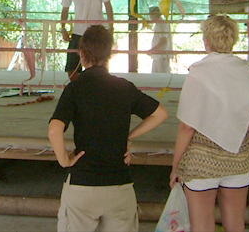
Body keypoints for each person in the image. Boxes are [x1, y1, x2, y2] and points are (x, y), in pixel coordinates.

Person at [49, 25, 168, 232]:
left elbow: (54, 129)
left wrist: (64, 160)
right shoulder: (124, 87)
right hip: (119, 184)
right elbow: (160, 114)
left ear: (81, 54)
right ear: (109, 54)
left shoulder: (75, 88)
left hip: (83, 184)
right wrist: (129, 137)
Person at [170, 15, 249, 232]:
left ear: (206, 41)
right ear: (233, 41)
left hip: (201, 162)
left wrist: (175, 166)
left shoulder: (198, 73)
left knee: (202, 225)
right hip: (239, 160)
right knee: (236, 224)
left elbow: (187, 127)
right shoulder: (246, 72)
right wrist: (245, 153)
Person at [60, 0, 114, 81]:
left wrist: (111, 27)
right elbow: (65, 9)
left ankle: (100, 89)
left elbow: (108, 6)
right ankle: (77, 89)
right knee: (72, 65)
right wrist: (63, 28)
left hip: (96, 30)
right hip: (78, 30)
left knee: (100, 63)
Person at [147, 6, 172, 73]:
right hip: (158, 56)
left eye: (151, 15)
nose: (150, 17)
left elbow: (164, 41)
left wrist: (152, 50)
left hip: (161, 57)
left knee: (162, 78)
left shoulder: (161, 24)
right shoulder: (159, 24)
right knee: (156, 78)